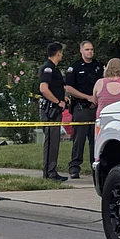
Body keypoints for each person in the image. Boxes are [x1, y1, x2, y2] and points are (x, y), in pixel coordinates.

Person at [64, 41, 103, 179]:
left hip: (96, 108)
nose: (90, 52)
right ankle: (74, 167)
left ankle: (95, 167)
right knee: (79, 140)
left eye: (92, 49)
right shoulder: (74, 67)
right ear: (81, 50)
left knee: (95, 140)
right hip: (81, 107)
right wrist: (87, 97)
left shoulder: (98, 66)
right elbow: (68, 88)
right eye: (87, 49)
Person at [38, 42, 68, 182]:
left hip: (54, 110)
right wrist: (58, 101)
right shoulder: (48, 69)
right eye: (61, 52)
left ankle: (51, 170)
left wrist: (63, 98)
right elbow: (44, 88)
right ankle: (49, 172)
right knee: (51, 141)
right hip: (50, 110)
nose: (62, 55)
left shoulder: (53, 69)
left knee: (54, 141)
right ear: (58, 53)